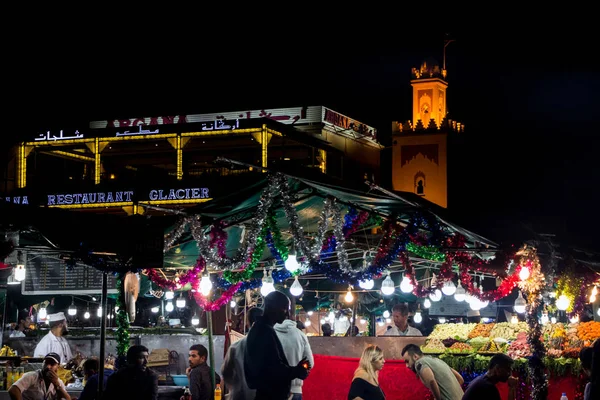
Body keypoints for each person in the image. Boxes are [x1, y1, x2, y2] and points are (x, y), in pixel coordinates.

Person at [244, 290, 309, 400]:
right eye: (285, 309)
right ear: (274, 307)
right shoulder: (263, 331)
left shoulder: (263, 329)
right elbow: (273, 370)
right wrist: (296, 371)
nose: (287, 314)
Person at [221, 307, 263, 400]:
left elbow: (226, 372)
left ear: (247, 323)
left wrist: (235, 386)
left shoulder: (235, 347)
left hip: (240, 395)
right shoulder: (273, 345)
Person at [275, 317, 315, 400]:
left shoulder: (271, 333)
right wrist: (301, 370)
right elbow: (310, 362)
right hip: (295, 390)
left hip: (274, 389)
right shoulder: (301, 335)